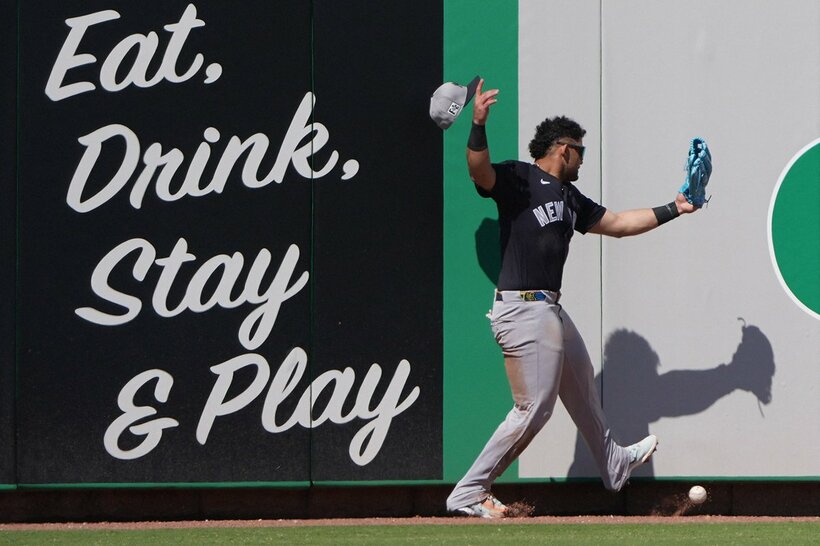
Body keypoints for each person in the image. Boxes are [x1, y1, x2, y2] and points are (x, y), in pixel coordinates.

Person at [446, 79, 699, 518]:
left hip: (548, 310)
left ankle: (613, 463)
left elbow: (619, 223)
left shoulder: (569, 196)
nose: (583, 157)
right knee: (534, 409)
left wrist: (674, 207)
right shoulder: (519, 178)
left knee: (582, 389)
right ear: (563, 149)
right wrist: (479, 125)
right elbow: (478, 170)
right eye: (580, 150)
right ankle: (470, 491)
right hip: (522, 307)